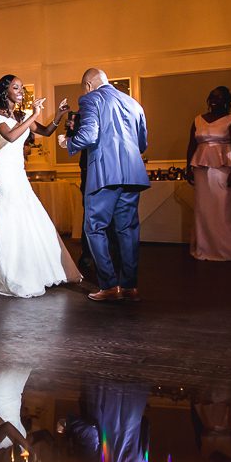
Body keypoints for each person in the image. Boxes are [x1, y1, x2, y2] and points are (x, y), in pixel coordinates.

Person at [0, 75, 79, 298]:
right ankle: (10, 272)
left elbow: (47, 131)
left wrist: (58, 114)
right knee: (8, 212)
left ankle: (34, 269)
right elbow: (10, 137)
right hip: (3, 168)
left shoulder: (21, 115)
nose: (20, 91)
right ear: (5, 92)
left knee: (28, 213)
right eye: (15, 87)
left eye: (21, 88)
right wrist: (34, 115)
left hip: (18, 169)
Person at [59, 68, 149, 302]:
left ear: (88, 85)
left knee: (94, 227)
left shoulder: (90, 99)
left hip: (104, 174)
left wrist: (67, 141)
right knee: (127, 230)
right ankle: (129, 286)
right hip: (132, 173)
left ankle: (109, 285)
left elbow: (88, 135)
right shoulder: (133, 102)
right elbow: (142, 142)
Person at [185, 86, 231, 261]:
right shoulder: (197, 120)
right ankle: (204, 248)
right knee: (203, 209)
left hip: (223, 168)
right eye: (212, 96)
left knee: (224, 208)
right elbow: (191, 145)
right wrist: (188, 167)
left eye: (218, 97)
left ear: (227, 101)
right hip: (201, 169)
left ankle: (228, 250)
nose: (214, 100)